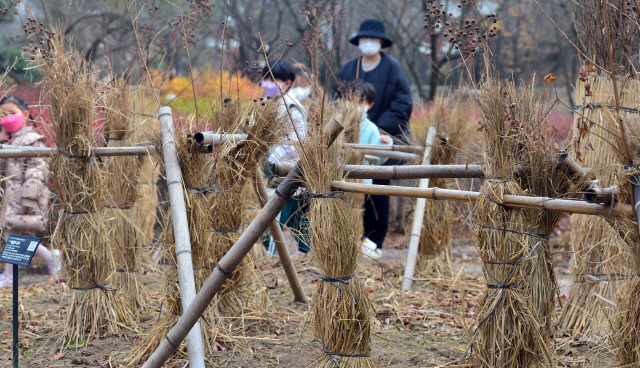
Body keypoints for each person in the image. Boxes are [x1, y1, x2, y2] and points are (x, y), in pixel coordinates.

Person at [334, 18, 413, 252]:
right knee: (347, 186)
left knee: (377, 188)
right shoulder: (348, 68)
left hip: (382, 138)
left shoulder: (393, 68)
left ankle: (374, 242)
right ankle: (346, 236)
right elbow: (335, 99)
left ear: (381, 42)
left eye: (373, 39)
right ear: (359, 41)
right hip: (350, 140)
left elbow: (403, 104)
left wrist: (375, 129)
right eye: (365, 38)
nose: (369, 43)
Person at [0, 95, 59, 286]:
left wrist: (29, 199)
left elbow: (37, 172)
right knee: (16, 237)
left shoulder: (33, 140)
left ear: (25, 115)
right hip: (10, 198)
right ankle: (51, 258)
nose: (7, 118)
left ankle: (10, 276)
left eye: (12, 113)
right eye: (2, 114)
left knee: (12, 236)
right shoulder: (9, 141)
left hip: (24, 199)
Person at [261, 60, 310, 255]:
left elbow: (299, 141)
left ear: (287, 83)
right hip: (271, 167)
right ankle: (307, 254)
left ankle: (272, 256)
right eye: (265, 79)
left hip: (285, 171)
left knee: (276, 215)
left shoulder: (291, 107)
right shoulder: (267, 103)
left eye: (273, 80)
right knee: (297, 215)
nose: (267, 83)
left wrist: (274, 159)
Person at [345, 80, 393, 259]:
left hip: (361, 183)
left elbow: (378, 159)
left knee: (361, 216)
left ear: (370, 105)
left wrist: (386, 146)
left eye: (361, 102)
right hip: (338, 180)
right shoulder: (337, 122)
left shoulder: (371, 129)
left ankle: (360, 250)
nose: (355, 105)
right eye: (352, 99)